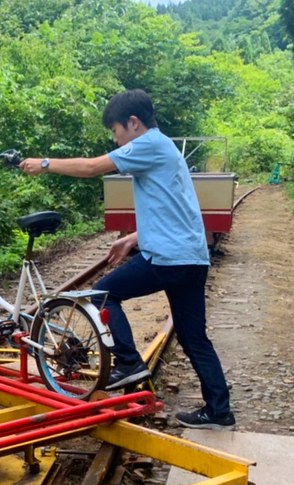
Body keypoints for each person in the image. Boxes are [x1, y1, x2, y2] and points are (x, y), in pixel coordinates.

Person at [20, 89, 234, 430]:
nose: (117, 141)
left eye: (116, 132)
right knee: (195, 338)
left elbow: (92, 167)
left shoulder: (147, 145)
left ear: (133, 123)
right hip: (191, 259)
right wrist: (134, 237)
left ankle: (129, 362)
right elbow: (173, 208)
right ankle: (219, 411)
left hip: (168, 259)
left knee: (102, 293)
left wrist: (44, 164)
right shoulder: (165, 149)